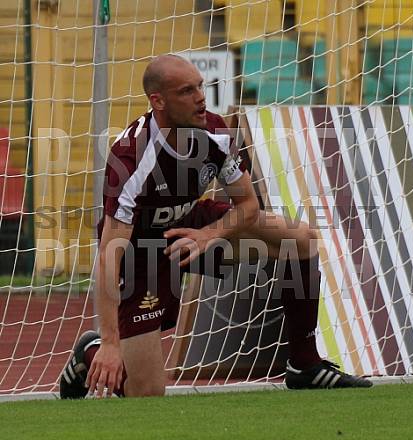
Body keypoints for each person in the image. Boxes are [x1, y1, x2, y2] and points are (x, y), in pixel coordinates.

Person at [60, 55, 372, 398]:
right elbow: (109, 254)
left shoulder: (215, 131)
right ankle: (88, 352)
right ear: (158, 101)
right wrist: (109, 343)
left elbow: (249, 205)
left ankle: (304, 364)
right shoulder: (131, 156)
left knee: (300, 239)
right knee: (146, 393)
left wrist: (208, 235)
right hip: (139, 251)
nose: (200, 98)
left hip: (190, 225)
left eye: (200, 86)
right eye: (186, 91)